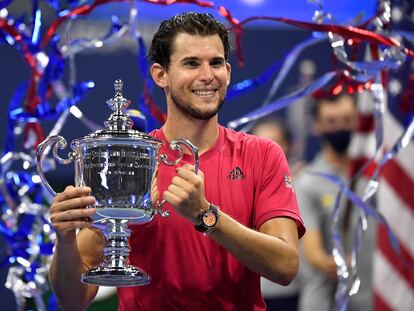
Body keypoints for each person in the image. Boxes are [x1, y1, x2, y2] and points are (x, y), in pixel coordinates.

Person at [48, 12, 305, 311]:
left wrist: (206, 215)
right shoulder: (130, 160)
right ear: (161, 75)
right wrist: (65, 239)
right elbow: (72, 301)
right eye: (192, 63)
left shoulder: (262, 154)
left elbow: (286, 266)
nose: (208, 75)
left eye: (216, 63)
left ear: (229, 72)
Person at [295, 92, 375, 311]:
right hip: (326, 303)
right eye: (332, 122)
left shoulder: (374, 175)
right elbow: (311, 249)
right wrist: (329, 263)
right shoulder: (307, 182)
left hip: (372, 301)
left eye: (347, 120)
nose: (340, 127)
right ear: (318, 126)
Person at [250, 117, 302, 311]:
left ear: (288, 146)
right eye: (260, 144)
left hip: (291, 292)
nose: (265, 153)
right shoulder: (237, 184)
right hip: (252, 293)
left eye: (273, 145)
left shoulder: (304, 185)